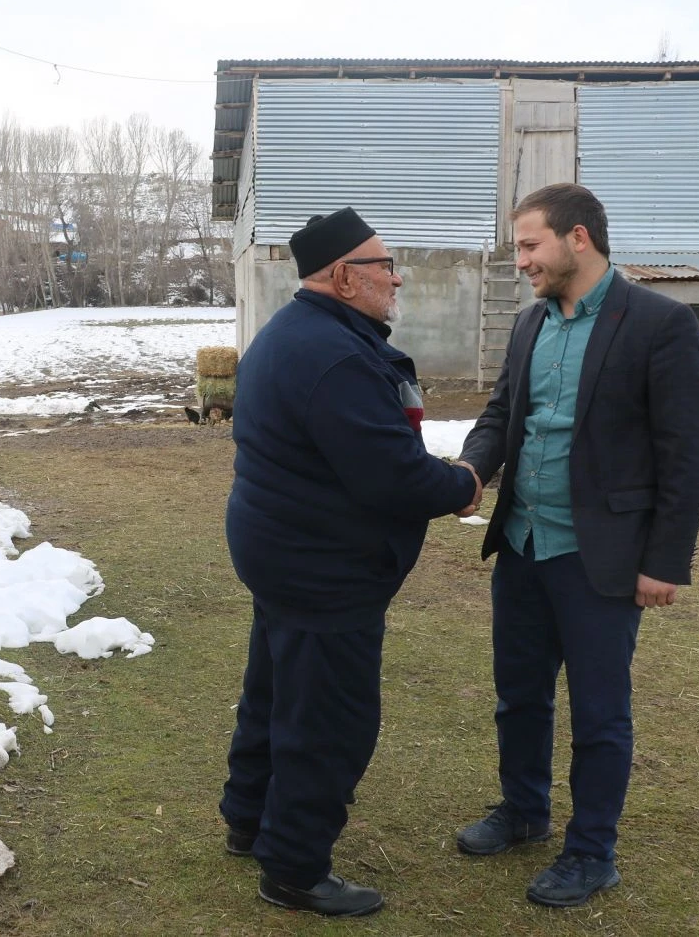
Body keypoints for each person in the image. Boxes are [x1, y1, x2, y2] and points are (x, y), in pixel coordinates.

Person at [220, 208, 482, 918]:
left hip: (283, 553)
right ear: (342, 277)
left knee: (275, 692)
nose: (396, 279)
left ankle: (249, 820)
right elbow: (392, 478)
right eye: (384, 266)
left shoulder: (296, 333)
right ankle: (295, 869)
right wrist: (464, 485)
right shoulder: (333, 355)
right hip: (322, 567)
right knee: (329, 721)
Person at [454, 183, 699, 907]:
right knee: (519, 698)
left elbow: (685, 454)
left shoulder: (660, 324)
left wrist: (665, 561)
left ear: (579, 239)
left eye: (530, 246)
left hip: (601, 557)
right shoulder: (531, 325)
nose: (521, 262)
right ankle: (525, 812)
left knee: (599, 712)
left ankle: (592, 851)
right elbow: (505, 412)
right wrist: (473, 467)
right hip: (523, 545)